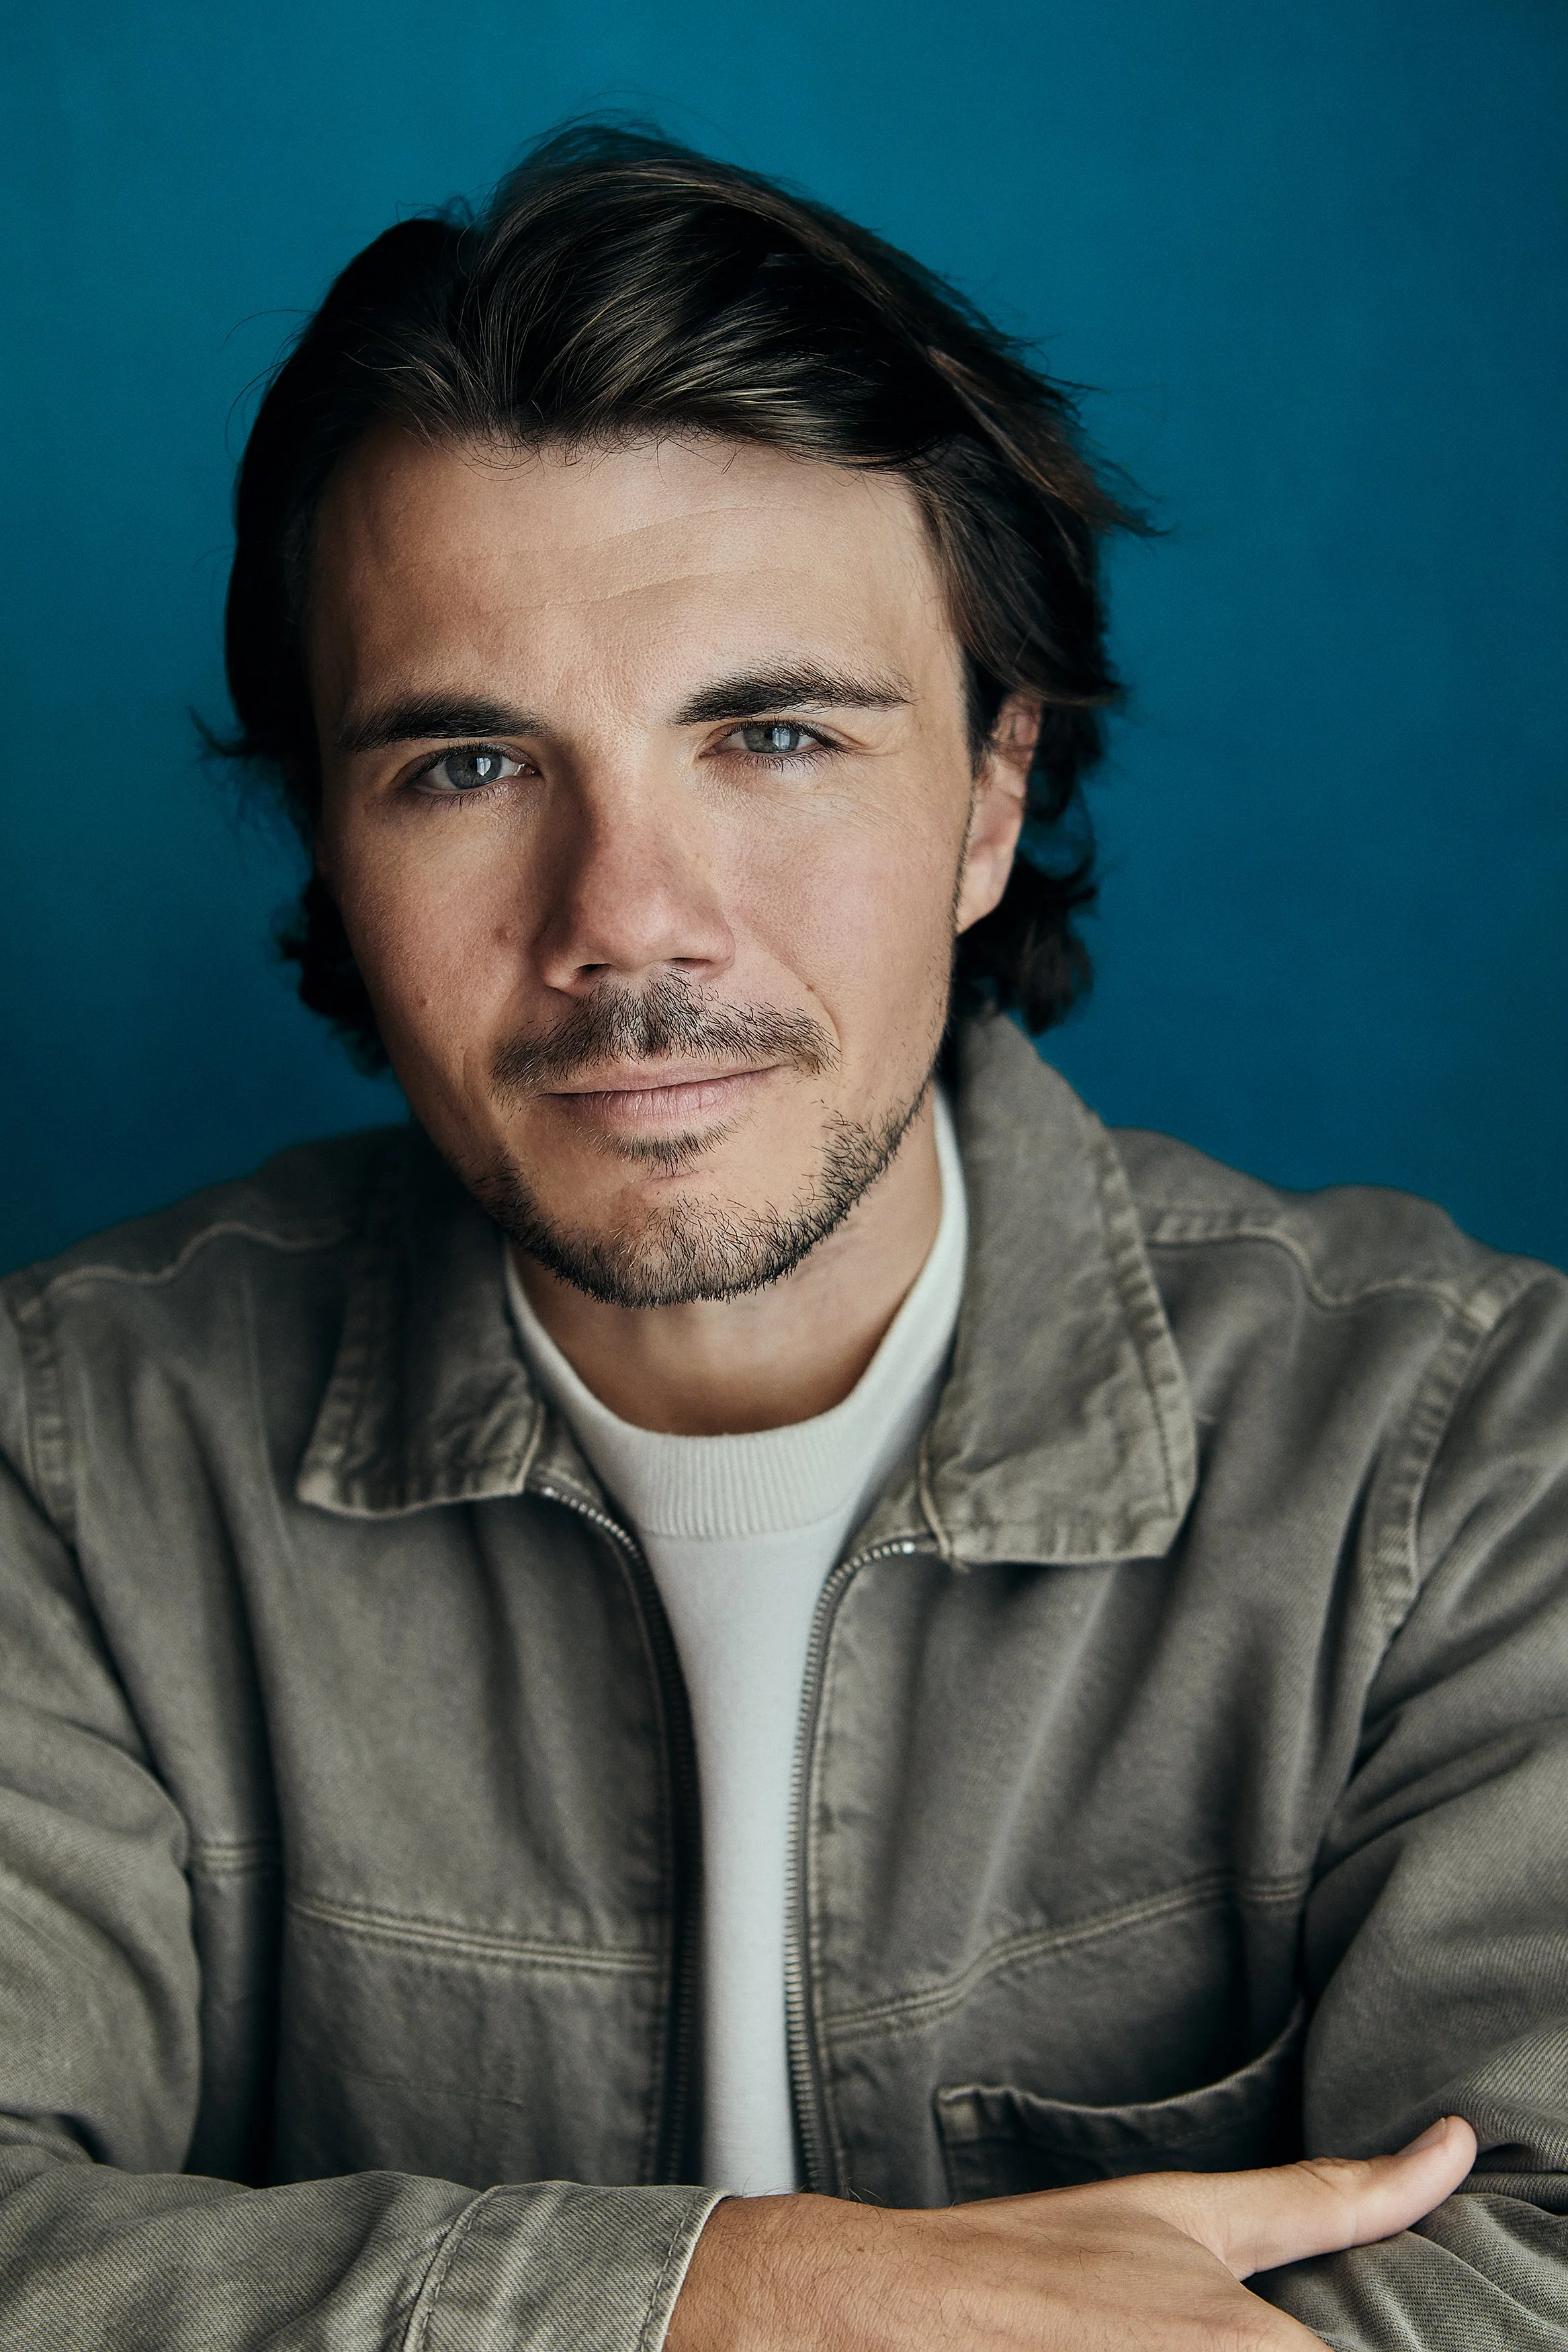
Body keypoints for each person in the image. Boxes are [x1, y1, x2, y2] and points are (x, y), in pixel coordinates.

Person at [1, 122, 1564, 2352]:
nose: (626, 916)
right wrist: (733, 2296)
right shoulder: (62, 1456)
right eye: (462, 766)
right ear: (329, 837)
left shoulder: (1468, 1452)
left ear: (992, 795)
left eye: (771, 734)